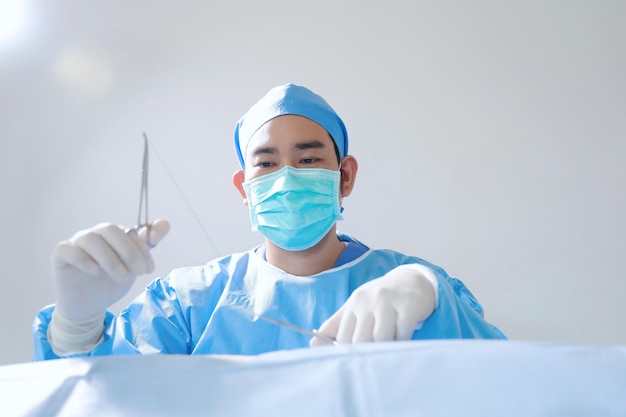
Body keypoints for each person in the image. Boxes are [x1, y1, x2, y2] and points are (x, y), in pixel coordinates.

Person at [33, 83, 505, 360]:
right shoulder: (189, 305)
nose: (287, 179)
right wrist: (78, 329)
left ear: (344, 177)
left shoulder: (406, 289)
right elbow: (103, 398)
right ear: (245, 188)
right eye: (266, 164)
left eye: (307, 159)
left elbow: (499, 382)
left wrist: (436, 302)